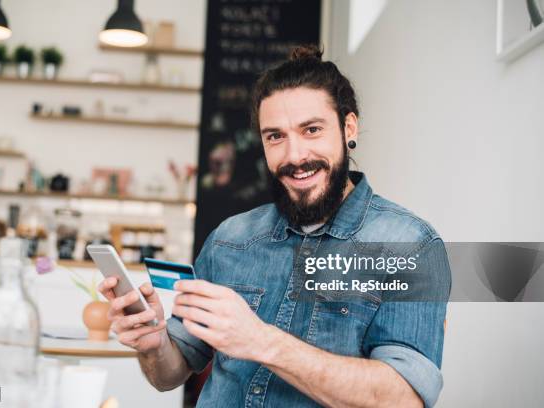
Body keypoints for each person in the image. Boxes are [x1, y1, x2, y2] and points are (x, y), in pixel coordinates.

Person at [99, 45, 451, 408]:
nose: (294, 156)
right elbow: (168, 374)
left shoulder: (411, 246)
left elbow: (404, 399)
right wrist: (153, 343)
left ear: (348, 127)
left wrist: (261, 341)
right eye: (275, 136)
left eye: (311, 130)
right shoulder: (229, 240)